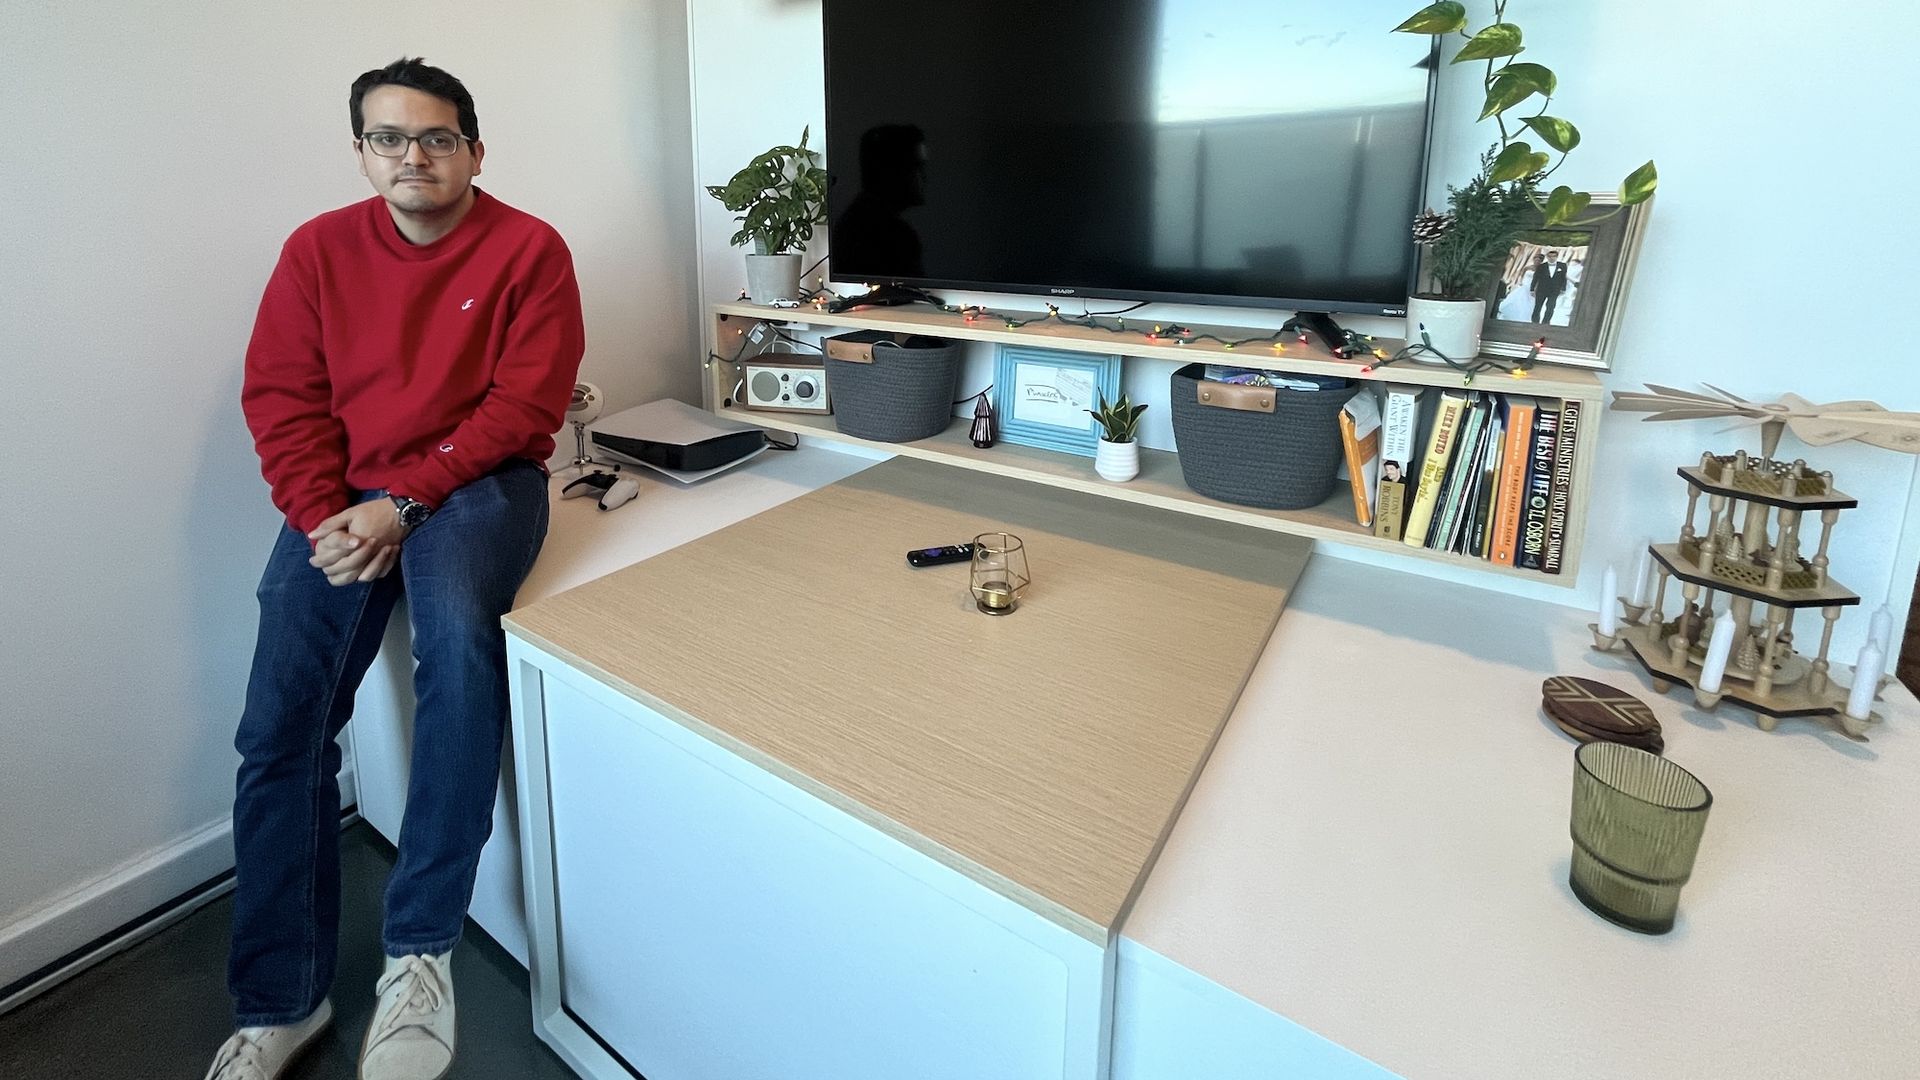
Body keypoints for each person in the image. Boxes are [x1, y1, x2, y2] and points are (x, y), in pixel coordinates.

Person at [205, 58, 585, 1080]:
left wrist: (406, 503)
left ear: (474, 149)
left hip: (479, 486)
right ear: (362, 151)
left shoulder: (529, 249)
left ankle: (420, 957)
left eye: (437, 137)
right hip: (342, 498)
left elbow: (523, 406)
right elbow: (281, 399)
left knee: (459, 653)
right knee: (278, 730)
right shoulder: (317, 252)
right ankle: (282, 1000)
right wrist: (327, 517)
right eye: (390, 138)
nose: (413, 156)